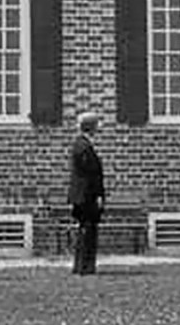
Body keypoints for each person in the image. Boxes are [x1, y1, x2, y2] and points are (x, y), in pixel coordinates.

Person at [68, 111, 106, 275]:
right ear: (91, 127)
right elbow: (90, 175)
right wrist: (97, 195)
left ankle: (82, 265)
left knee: (85, 229)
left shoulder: (82, 145)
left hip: (82, 194)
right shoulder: (84, 147)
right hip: (86, 195)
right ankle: (85, 265)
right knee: (88, 230)